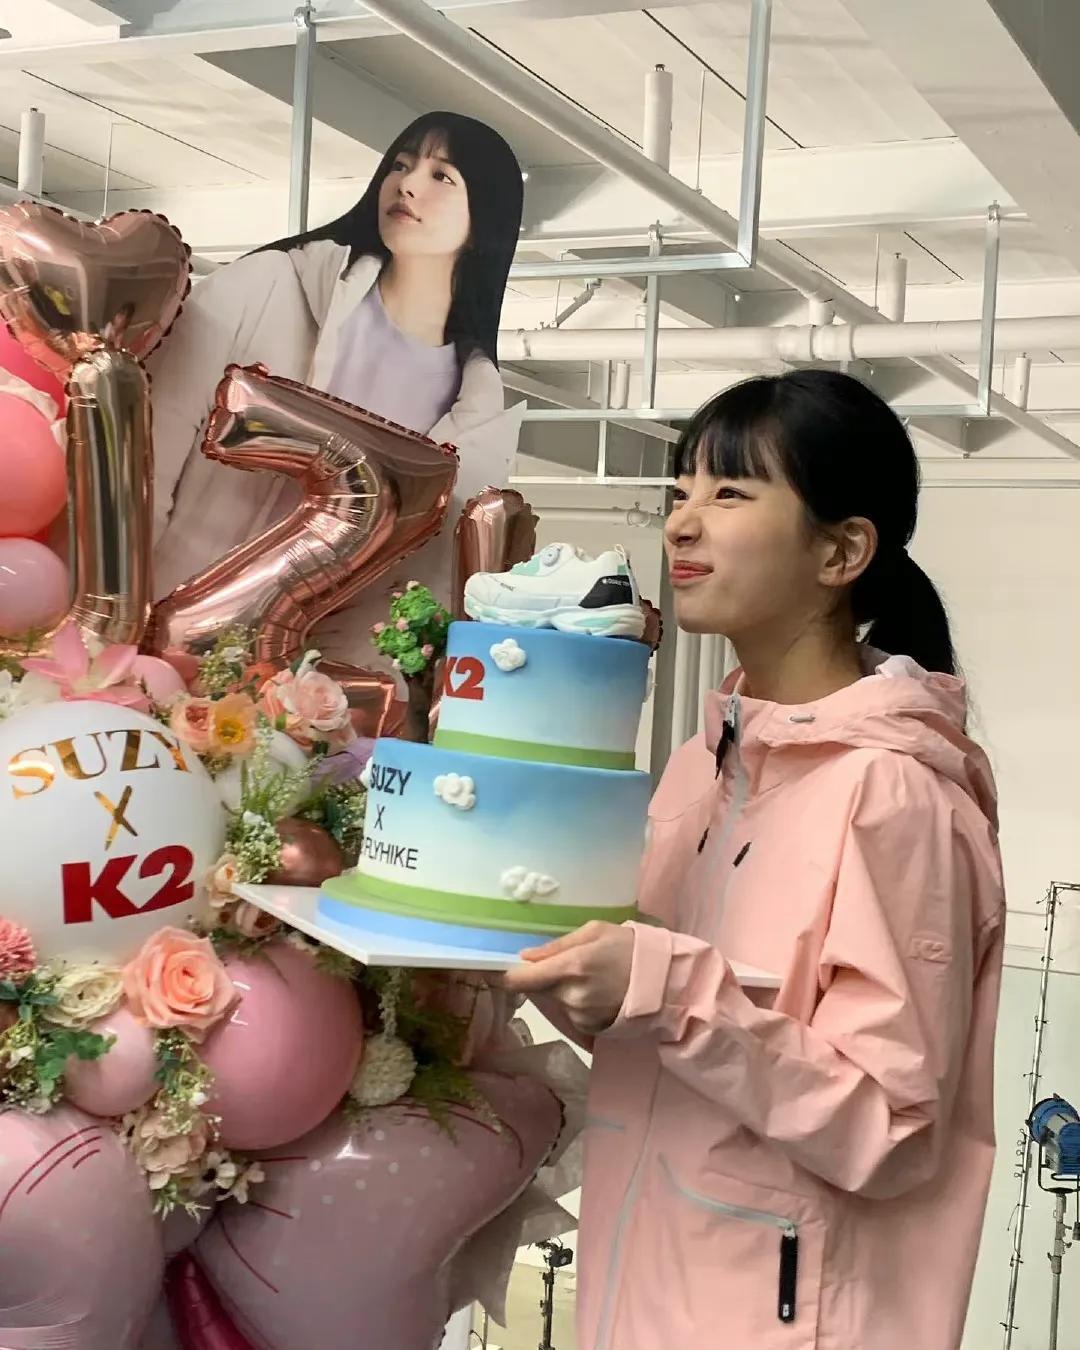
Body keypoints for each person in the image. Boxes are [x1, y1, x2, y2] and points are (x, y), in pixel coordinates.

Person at [505, 369, 1006, 1350]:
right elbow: (681, 1044)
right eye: (680, 491)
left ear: (842, 550)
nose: (683, 523)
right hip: (638, 1300)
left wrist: (661, 988)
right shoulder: (702, 766)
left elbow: (888, 1126)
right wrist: (570, 978)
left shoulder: (893, 794)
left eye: (730, 492)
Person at [149, 111, 524, 679]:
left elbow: (404, 590)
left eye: (442, 177)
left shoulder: (474, 409)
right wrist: (118, 620)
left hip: (285, 698)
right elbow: (145, 449)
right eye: (401, 165)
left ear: (483, 223)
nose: (408, 184)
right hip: (151, 634)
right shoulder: (271, 286)